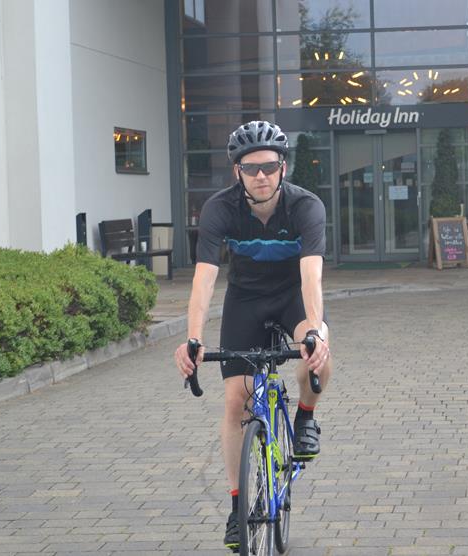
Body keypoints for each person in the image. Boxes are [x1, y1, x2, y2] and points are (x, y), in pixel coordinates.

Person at [173, 121, 332, 549]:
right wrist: (192, 338)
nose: (260, 176)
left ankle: (305, 416)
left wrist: (314, 332)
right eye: (250, 168)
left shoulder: (306, 206)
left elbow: (311, 275)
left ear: (283, 168)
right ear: (236, 173)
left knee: (319, 354)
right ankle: (238, 505)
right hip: (245, 299)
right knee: (234, 399)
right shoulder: (220, 209)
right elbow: (204, 280)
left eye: (268, 166)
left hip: (292, 296)